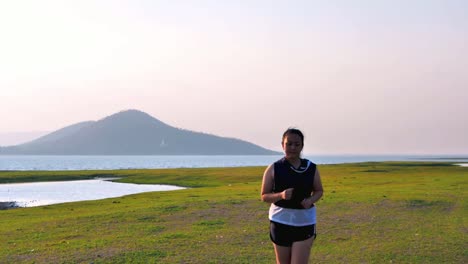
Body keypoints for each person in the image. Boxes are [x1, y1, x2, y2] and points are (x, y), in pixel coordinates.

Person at [261, 128, 324, 264]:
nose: (293, 148)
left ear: (302, 146)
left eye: (297, 144)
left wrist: (310, 200)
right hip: (280, 222)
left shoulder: (311, 167)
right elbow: (264, 196)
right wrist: (281, 195)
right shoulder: (273, 168)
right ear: (282, 145)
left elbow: (319, 191)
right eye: (289, 144)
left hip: (304, 222)